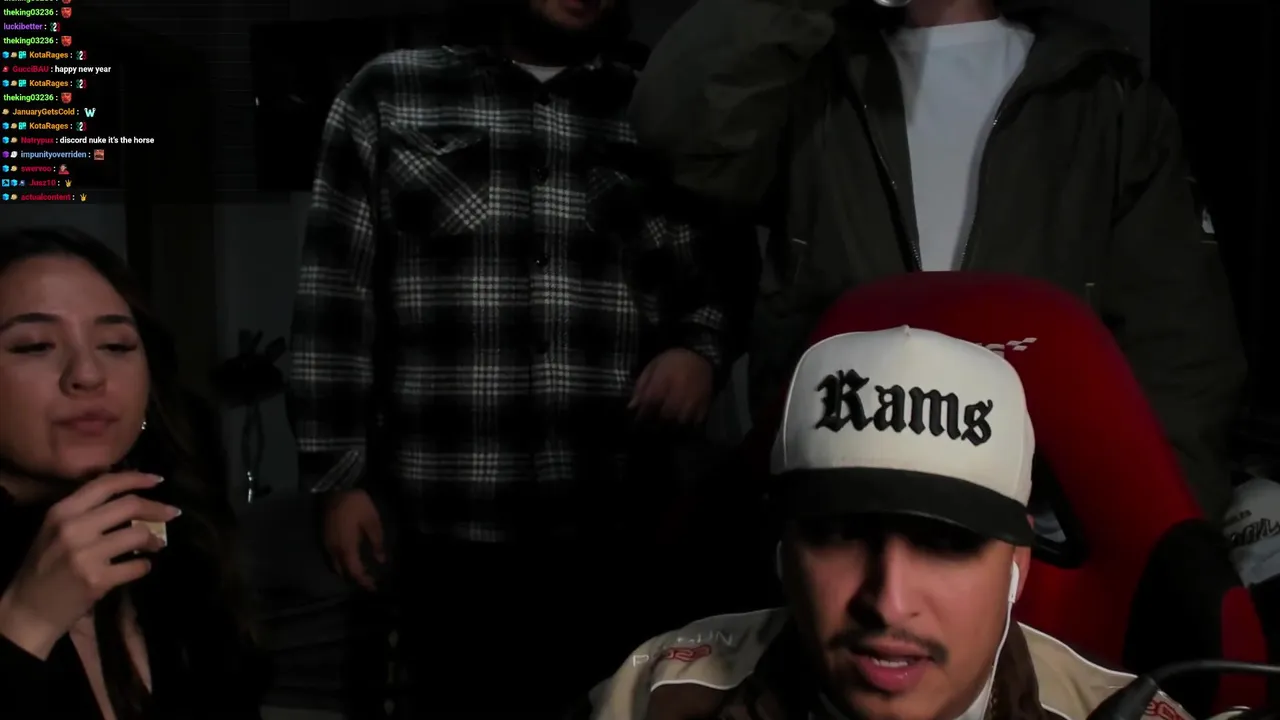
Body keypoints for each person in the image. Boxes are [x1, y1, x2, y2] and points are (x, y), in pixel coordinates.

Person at [288, 0, 755, 715]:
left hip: (623, 524)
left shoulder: (662, 106)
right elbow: (335, 293)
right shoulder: (387, 93)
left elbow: (724, 265)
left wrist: (701, 348)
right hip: (444, 532)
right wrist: (336, 477)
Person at [628, 0, 1246, 520]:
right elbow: (677, 129)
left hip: (1037, 530)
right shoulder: (809, 74)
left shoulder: (1104, 92)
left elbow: (1180, 346)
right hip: (832, 506)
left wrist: (1159, 548)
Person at [579, 326, 1211, 720]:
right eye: (839, 533)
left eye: (948, 542)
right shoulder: (657, 693)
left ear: (1017, 567)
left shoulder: (1117, 714)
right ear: (782, 552)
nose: (888, 603)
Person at [0, 227, 267, 718]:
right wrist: (26, 624)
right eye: (35, 345)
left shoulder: (184, 533)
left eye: (116, 345)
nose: (88, 374)